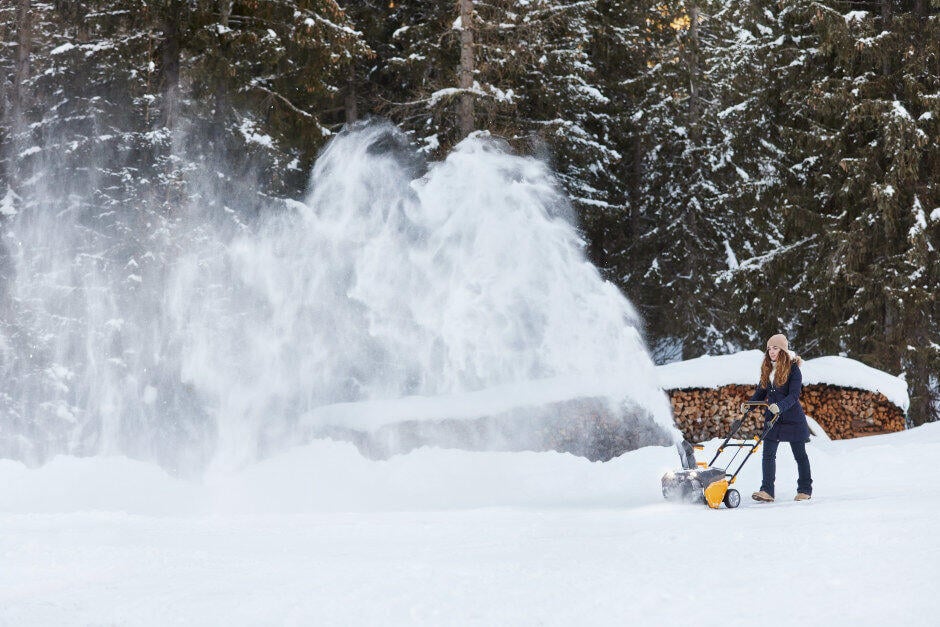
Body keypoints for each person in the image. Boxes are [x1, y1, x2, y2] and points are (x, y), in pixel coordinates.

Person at [749, 334, 813, 502]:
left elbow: (794, 395)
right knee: (768, 455)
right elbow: (760, 392)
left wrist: (780, 406)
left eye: (775, 348)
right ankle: (767, 491)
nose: (771, 351)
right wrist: (749, 405)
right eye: (769, 349)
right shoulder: (768, 369)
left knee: (800, 455)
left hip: (793, 419)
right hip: (773, 419)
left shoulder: (793, 369)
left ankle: (805, 490)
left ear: (783, 350)